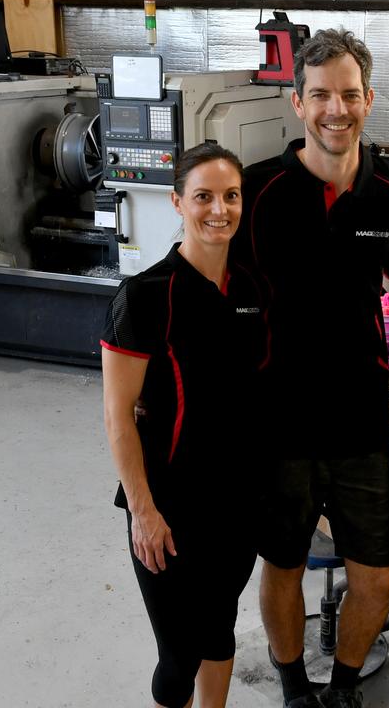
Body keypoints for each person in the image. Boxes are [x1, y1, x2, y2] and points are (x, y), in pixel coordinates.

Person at [231, 28, 389, 708]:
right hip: (278, 420)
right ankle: (292, 685)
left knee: (376, 576)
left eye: (350, 95)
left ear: (368, 101)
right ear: (298, 105)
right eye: (321, 96)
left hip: (361, 418)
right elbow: (215, 290)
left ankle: (341, 687)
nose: (337, 109)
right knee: (283, 565)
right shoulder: (257, 191)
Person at [101, 143, 265, 708]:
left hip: (236, 505)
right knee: (179, 654)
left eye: (230, 196)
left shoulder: (250, 290)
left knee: (219, 631)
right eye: (203, 196)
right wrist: (143, 512)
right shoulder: (145, 296)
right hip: (167, 508)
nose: (218, 209)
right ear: (177, 202)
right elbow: (119, 414)